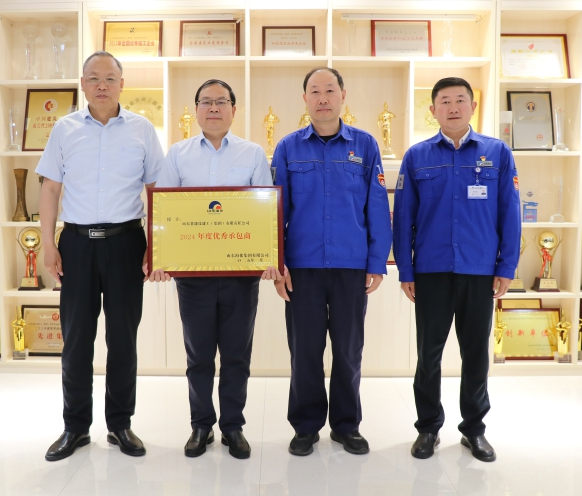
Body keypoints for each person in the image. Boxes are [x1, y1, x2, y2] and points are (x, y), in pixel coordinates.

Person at [37, 51, 164, 461]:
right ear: (83, 83)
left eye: (110, 78)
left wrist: (157, 245)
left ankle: (120, 425)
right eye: (94, 78)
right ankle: (75, 428)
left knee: (123, 339)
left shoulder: (143, 129)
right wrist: (48, 244)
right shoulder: (65, 128)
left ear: (122, 84)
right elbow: (50, 189)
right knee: (76, 339)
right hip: (76, 244)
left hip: (127, 243)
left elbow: (156, 192)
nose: (102, 85)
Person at [392, 77, 521, 463]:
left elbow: (510, 212)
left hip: (479, 269)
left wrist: (506, 265)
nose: (452, 107)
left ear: (472, 107)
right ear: (432, 110)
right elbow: (403, 218)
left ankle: (474, 430)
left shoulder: (497, 153)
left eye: (460, 100)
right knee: (428, 354)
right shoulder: (417, 156)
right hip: (431, 270)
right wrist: (406, 271)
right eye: (444, 101)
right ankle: (428, 427)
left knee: (476, 353)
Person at [148, 79, 274, 460]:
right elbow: (163, 211)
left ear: (234, 109)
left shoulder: (253, 154)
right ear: (196, 110)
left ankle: (233, 426)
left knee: (236, 355)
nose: (214, 108)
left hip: (241, 275)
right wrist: (160, 258)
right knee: (199, 355)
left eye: (221, 102)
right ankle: (201, 425)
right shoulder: (178, 155)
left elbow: (266, 212)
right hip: (193, 276)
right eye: (206, 102)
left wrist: (270, 256)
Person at [270, 67, 392, 457]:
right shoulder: (288, 148)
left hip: (350, 265)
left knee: (348, 350)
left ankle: (346, 425)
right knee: (304, 351)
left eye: (329, 90)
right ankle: (305, 427)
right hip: (301, 267)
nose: (322, 98)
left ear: (343, 95)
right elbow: (275, 210)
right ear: (305, 99)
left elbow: (377, 206)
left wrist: (377, 261)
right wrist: (278, 262)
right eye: (314, 91)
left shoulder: (365, 145)